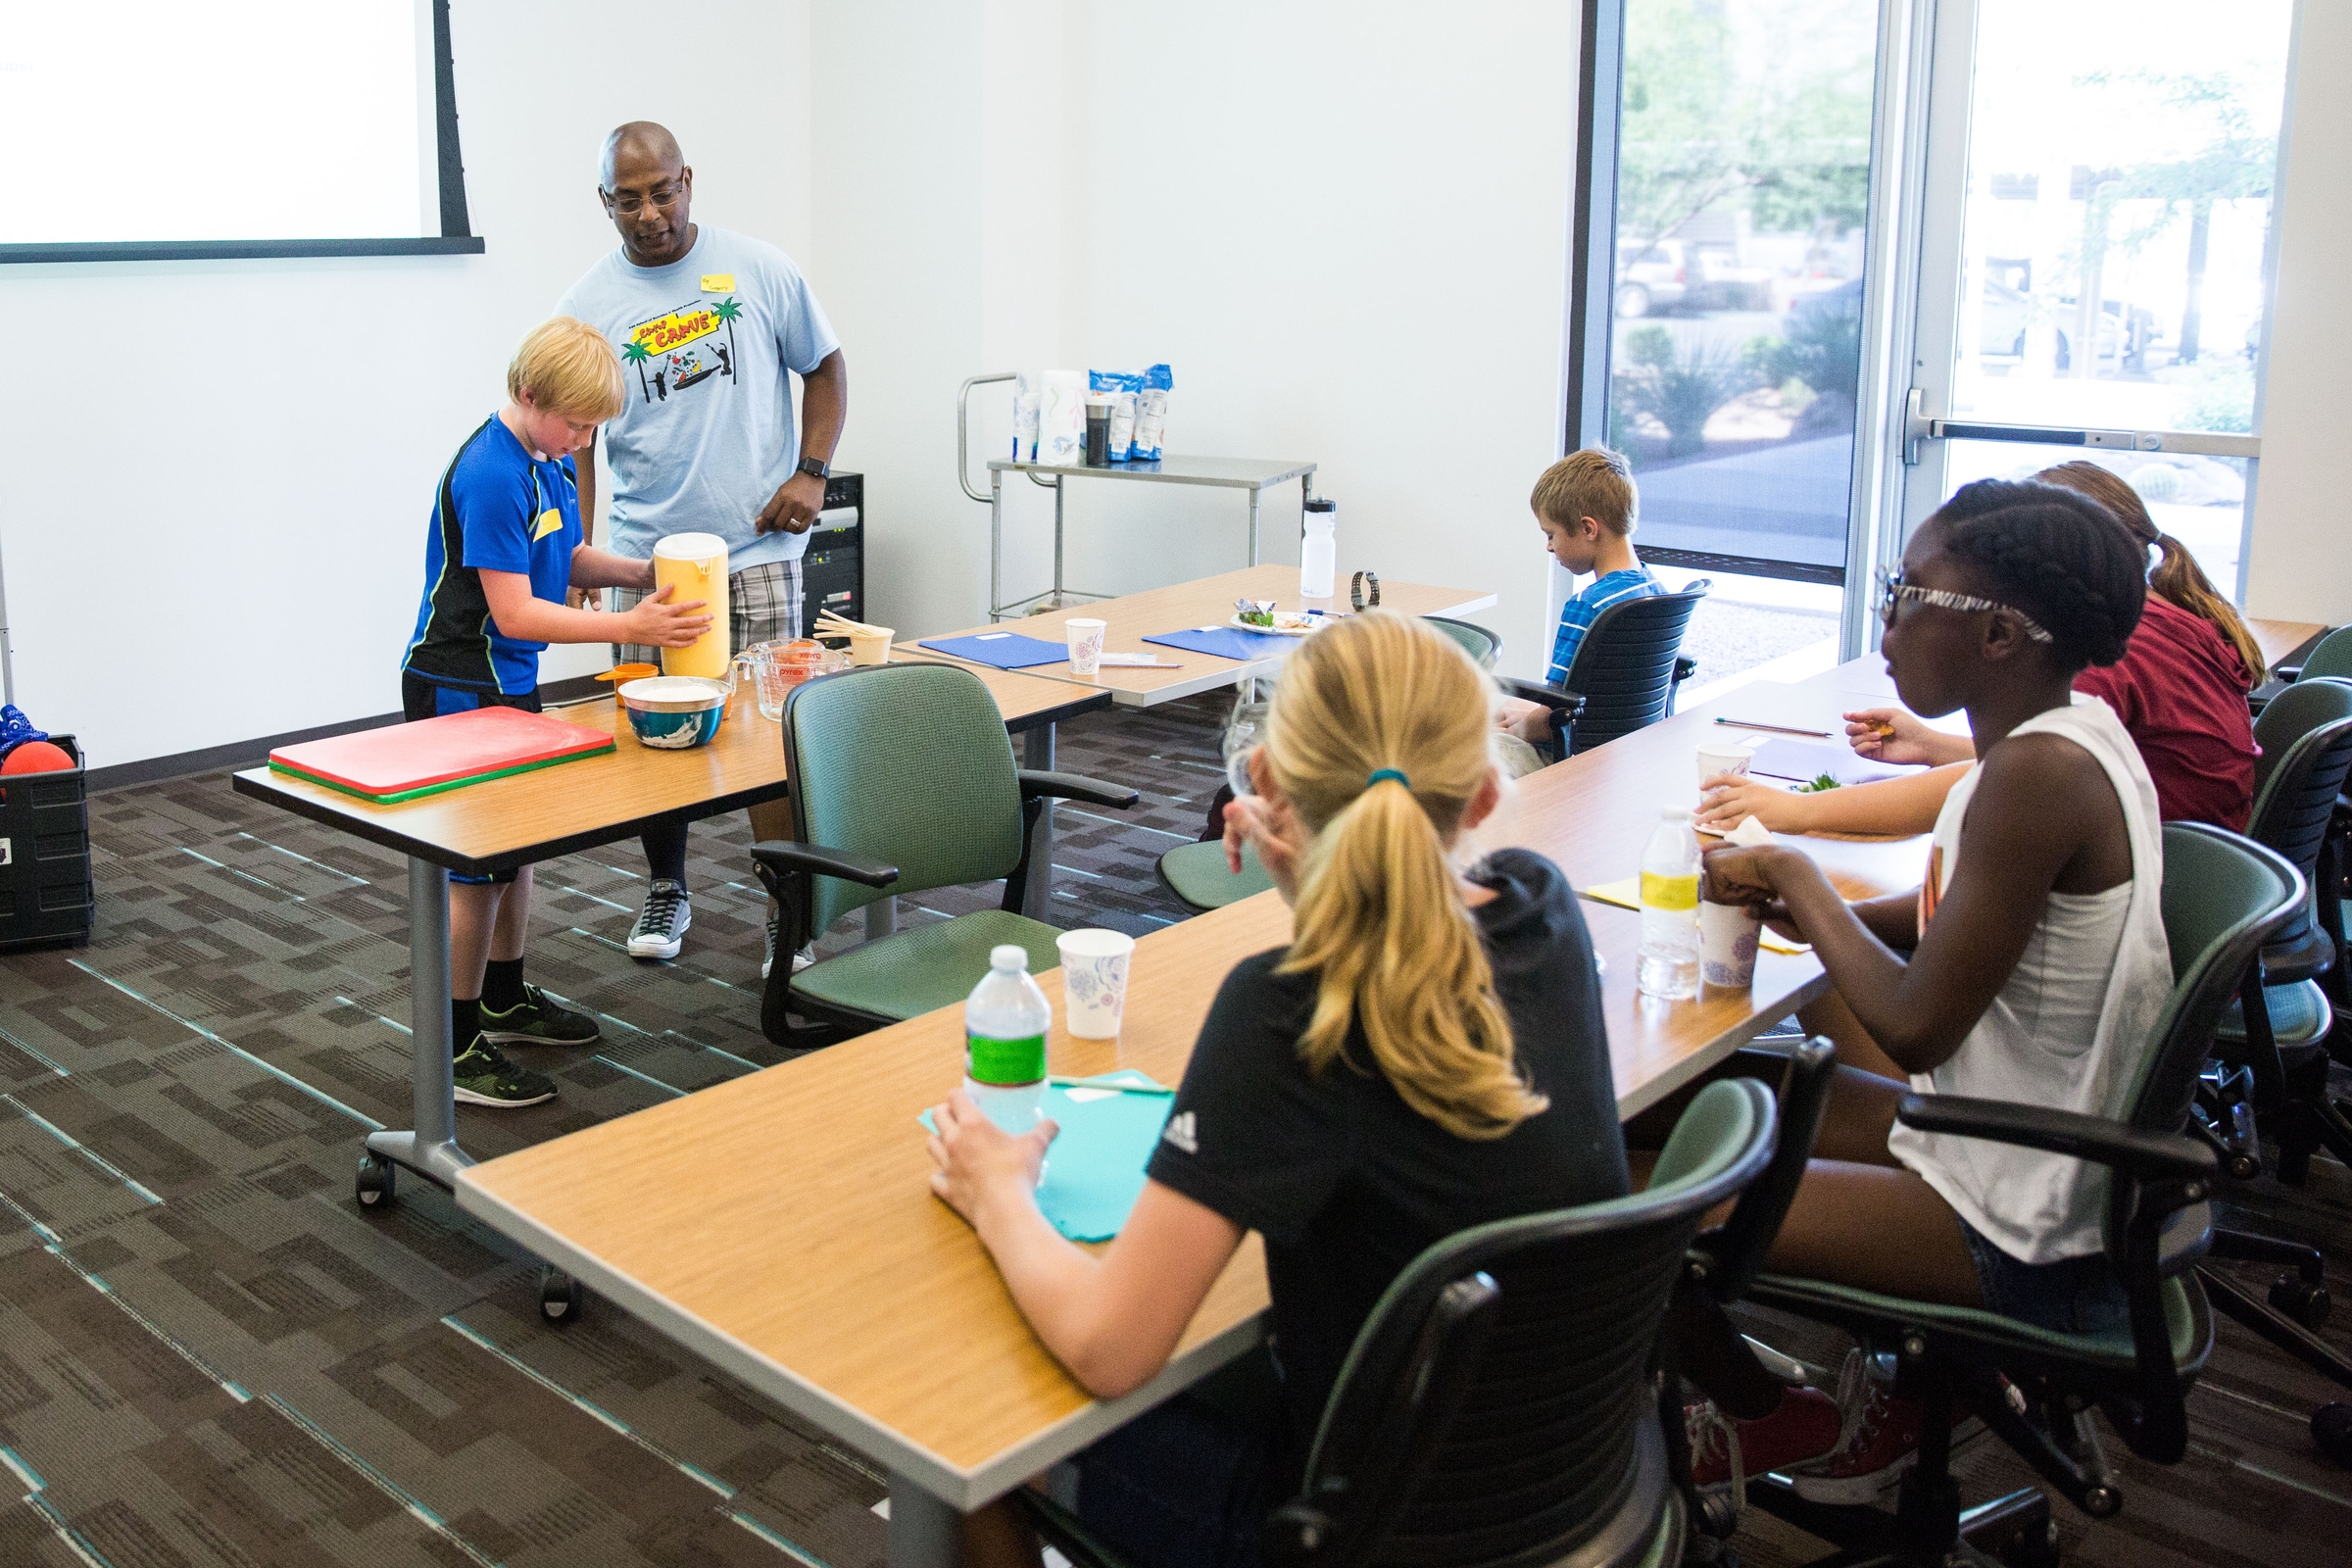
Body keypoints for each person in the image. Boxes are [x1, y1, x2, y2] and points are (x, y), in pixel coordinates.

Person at [926, 612, 1628, 1568]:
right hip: (1568, 1487)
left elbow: (1109, 1347)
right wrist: (1311, 854)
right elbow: (1391, 911)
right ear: (1488, 795)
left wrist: (996, 1188)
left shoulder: (1289, 1012)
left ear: (1263, 779)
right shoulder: (1544, 906)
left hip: (1357, 1530)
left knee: (978, 1414)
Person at [1686, 479, 2168, 1490]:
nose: (1889, 621)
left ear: (1999, 634)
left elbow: (1913, 1027)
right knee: (1704, 1102)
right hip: (2004, 1138)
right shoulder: (2064, 741)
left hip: (2024, 1219)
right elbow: (1959, 916)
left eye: (1907, 594)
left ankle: (1774, 1414)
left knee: (1664, 1201)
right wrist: (1825, 918)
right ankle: (1870, 1391)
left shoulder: (2037, 778)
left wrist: (1795, 876)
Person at [557, 121, 850, 973]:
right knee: (654, 735)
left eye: (662, 192)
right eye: (628, 200)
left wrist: (812, 473)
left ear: (689, 180)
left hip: (756, 548)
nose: (649, 214)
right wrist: (577, 544)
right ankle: (666, 886)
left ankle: (784, 905)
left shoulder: (759, 268)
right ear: (604, 202)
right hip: (648, 560)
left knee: (770, 735)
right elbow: (575, 438)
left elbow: (826, 366)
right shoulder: (587, 305)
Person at [401, 318, 712, 1107]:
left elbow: (563, 559)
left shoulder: (546, 459)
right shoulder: (493, 473)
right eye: (576, 423)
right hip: (459, 682)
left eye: (594, 428)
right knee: (475, 870)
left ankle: (503, 994)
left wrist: (645, 572)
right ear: (529, 395)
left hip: (509, 680)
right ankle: (458, 1039)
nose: (585, 439)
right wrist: (629, 627)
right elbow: (515, 612)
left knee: (518, 848)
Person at [1696, 462, 2260, 836]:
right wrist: (1931, 744)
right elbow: (2020, 760)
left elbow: (1997, 784)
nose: (1892, 622)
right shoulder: (2156, 618)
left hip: (2176, 899)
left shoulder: (2090, 651)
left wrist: (1795, 813)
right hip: (2192, 883)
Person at [1494, 447, 1663, 755]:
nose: (1549, 547)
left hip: (1574, 761)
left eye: (1551, 534)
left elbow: (1557, 710)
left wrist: (1520, 727)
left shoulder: (1589, 606)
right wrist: (1528, 717)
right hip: (1626, 754)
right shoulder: (1655, 591)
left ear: (1587, 529)